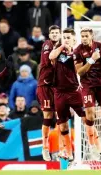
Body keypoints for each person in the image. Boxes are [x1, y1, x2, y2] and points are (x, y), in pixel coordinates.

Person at [73, 27, 101, 163]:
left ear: (91, 36)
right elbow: (80, 72)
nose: (84, 38)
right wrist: (92, 60)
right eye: (82, 36)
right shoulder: (77, 51)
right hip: (87, 86)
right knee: (90, 115)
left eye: (86, 36)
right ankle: (93, 146)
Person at [49, 28, 86, 165]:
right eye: (64, 37)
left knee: (87, 119)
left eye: (68, 37)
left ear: (74, 40)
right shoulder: (58, 52)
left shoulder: (78, 53)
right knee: (63, 126)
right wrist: (62, 46)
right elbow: (51, 57)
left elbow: (81, 71)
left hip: (74, 91)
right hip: (59, 93)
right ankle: (70, 155)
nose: (66, 39)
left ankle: (96, 148)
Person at [36, 25, 60, 161]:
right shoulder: (47, 45)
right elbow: (50, 62)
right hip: (45, 85)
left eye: (57, 32)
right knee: (48, 116)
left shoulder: (64, 45)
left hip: (58, 86)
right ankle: (45, 147)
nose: (55, 35)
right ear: (49, 35)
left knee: (61, 116)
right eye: (53, 33)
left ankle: (60, 148)